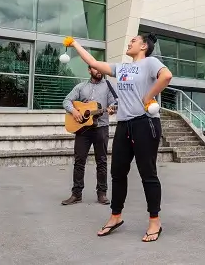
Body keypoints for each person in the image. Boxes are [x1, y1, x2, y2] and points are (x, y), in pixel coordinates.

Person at [66, 32, 171, 243]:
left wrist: (148, 97)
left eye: (134, 40)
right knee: (117, 172)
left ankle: (154, 221)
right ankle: (115, 216)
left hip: (145, 122)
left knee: (147, 173)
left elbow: (166, 76)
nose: (130, 42)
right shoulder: (121, 68)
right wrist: (74, 43)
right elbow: (94, 62)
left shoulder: (150, 62)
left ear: (143, 46)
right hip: (124, 125)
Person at [61, 65, 117, 206]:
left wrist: (112, 109)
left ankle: (102, 193)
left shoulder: (108, 86)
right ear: (89, 70)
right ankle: (76, 194)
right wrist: (74, 112)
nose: (99, 71)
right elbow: (66, 101)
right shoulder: (80, 87)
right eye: (95, 68)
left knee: (102, 161)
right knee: (79, 161)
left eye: (100, 69)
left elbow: (115, 103)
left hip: (101, 128)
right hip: (83, 130)